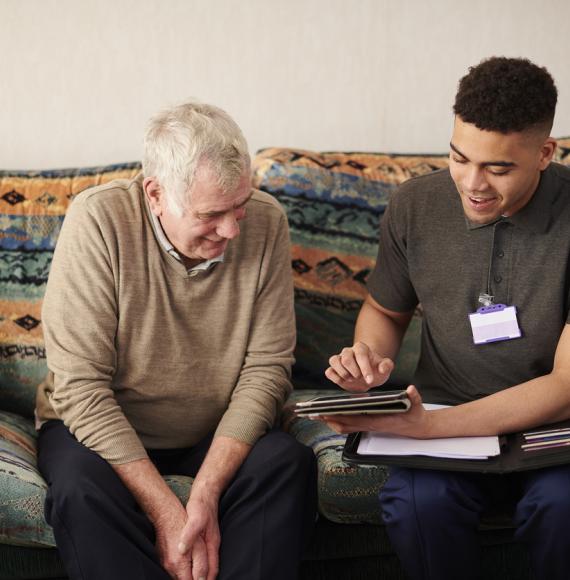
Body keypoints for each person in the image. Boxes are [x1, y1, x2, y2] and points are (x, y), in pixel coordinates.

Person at [36, 101, 317, 580]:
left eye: (239, 209)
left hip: (213, 430)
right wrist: (168, 511)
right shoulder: (100, 222)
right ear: (155, 193)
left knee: (286, 463)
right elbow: (80, 389)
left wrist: (204, 492)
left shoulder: (267, 223)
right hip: (97, 433)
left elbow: (267, 370)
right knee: (79, 492)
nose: (230, 230)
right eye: (211, 215)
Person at [324, 56, 570, 580]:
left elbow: (566, 386)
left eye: (498, 168)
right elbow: (384, 310)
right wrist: (371, 359)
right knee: (418, 505)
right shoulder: (415, 205)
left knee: (562, 510)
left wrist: (426, 427)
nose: (472, 183)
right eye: (459, 158)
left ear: (545, 152)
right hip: (447, 418)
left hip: (555, 432)